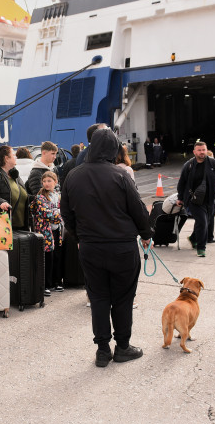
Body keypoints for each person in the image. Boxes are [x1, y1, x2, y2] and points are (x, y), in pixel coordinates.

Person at [61, 128, 152, 367]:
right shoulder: (120, 175)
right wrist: (146, 233)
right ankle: (123, 347)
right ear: (113, 149)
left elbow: (66, 214)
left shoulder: (73, 176)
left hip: (91, 247)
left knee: (98, 297)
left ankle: (102, 349)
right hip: (121, 247)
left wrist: (79, 236)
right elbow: (138, 209)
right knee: (123, 298)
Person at [176, 141, 215, 258]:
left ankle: (193, 238)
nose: (202, 152)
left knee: (205, 221)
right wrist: (180, 198)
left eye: (204, 150)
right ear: (194, 152)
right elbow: (182, 183)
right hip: (193, 200)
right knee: (202, 221)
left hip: (210, 199)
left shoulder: (213, 163)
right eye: (199, 150)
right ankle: (201, 248)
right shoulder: (189, 165)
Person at [30, 171, 64, 296]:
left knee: (56, 256)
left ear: (55, 182)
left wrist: (58, 215)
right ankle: (45, 284)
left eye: (49, 181)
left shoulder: (57, 195)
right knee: (47, 258)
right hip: (45, 231)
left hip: (56, 230)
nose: (46, 183)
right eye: (44, 181)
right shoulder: (40, 197)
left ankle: (56, 282)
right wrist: (59, 216)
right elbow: (47, 214)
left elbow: (62, 209)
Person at [0, 145, 29, 230]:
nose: (16, 156)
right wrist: (1, 202)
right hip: (3, 227)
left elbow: (23, 195)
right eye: (13, 154)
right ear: (7, 158)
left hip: (21, 227)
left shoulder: (14, 175)